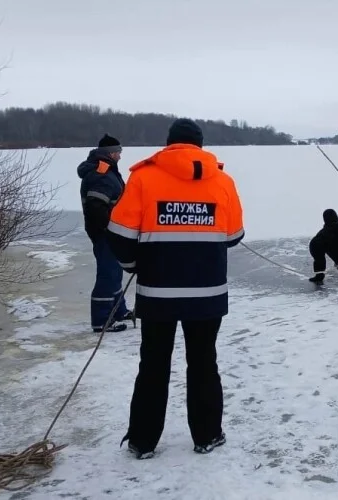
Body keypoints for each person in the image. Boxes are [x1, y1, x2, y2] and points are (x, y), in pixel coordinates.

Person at [106, 118, 244, 460]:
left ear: (169, 144)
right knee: (203, 363)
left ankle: (143, 440)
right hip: (208, 295)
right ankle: (208, 435)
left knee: (153, 364)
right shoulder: (223, 181)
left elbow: (120, 235)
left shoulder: (143, 177)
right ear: (200, 145)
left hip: (158, 294)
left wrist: (133, 265)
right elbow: (234, 236)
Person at [77, 133, 134, 333]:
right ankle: (101, 320)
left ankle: (118, 311)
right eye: (118, 152)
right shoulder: (100, 174)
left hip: (111, 232)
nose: (120, 156)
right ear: (110, 153)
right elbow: (96, 206)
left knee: (115, 271)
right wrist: (110, 227)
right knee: (107, 273)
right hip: (105, 233)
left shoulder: (108, 171)